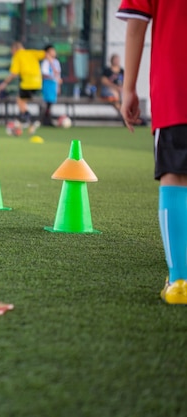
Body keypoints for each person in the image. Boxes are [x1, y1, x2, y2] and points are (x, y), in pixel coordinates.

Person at [118, 0, 187, 304]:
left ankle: (180, 281)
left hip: (176, 87)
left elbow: (136, 26)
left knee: (175, 174)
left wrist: (128, 87)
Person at [0, 41, 45, 126]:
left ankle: (28, 118)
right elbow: (46, 54)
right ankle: (24, 118)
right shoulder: (31, 52)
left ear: (15, 49)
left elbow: (14, 73)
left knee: (20, 100)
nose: (12, 53)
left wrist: (4, 83)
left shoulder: (17, 56)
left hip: (27, 83)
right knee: (22, 100)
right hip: (38, 83)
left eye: (12, 51)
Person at [40, 44, 61, 126]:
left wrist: (58, 85)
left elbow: (58, 74)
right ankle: (46, 120)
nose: (54, 52)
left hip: (54, 84)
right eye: (51, 51)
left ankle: (47, 119)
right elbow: (44, 73)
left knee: (51, 103)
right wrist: (52, 76)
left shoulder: (56, 62)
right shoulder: (45, 62)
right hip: (48, 84)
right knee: (47, 102)